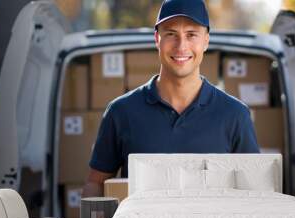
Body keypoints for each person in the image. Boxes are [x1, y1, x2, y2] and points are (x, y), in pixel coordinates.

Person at [82, 0, 259, 197]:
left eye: (191, 35)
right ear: (157, 39)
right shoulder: (121, 111)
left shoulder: (235, 114)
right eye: (171, 34)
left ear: (206, 41)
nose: (181, 46)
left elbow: (254, 193)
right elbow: (95, 184)